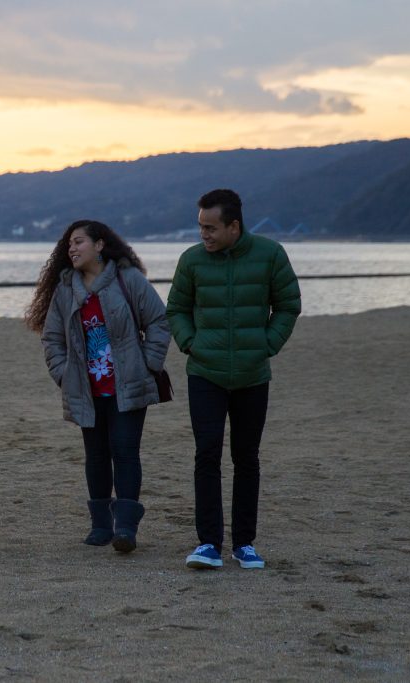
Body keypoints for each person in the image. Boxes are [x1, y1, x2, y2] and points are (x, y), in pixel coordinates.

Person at [167, 189, 301, 570]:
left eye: (211, 228)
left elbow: (289, 304)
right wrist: (191, 343)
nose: (203, 235)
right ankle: (208, 543)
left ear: (234, 226)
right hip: (205, 373)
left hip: (252, 374)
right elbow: (175, 308)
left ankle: (244, 544)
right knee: (206, 454)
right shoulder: (191, 260)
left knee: (246, 458)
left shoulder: (270, 254)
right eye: (200, 227)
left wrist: (267, 344)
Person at [27, 220, 170, 553]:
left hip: (127, 386)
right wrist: (64, 374)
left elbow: (159, 322)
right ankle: (101, 525)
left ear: (100, 245)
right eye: (69, 245)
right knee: (96, 456)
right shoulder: (66, 289)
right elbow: (52, 338)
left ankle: (126, 528)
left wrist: (147, 364)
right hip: (86, 389)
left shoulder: (128, 279)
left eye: (79, 242)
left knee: (125, 451)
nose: (72, 249)